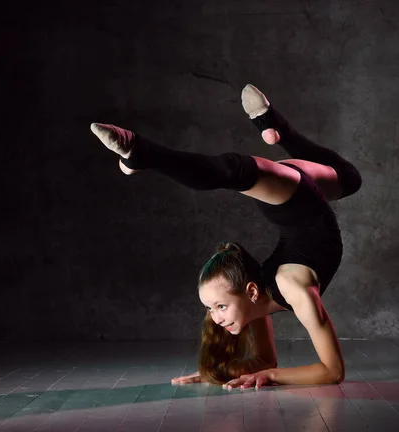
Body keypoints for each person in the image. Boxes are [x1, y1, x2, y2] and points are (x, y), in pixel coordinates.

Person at [90, 84, 362, 389]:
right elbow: (267, 362)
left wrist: (271, 376)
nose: (215, 318)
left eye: (218, 306)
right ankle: (276, 129)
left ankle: (141, 152)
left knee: (235, 171)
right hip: (303, 204)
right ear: (252, 292)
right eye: (213, 308)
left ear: (251, 292)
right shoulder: (269, 296)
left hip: (297, 202)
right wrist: (218, 374)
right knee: (349, 178)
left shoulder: (281, 289)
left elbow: (332, 371)